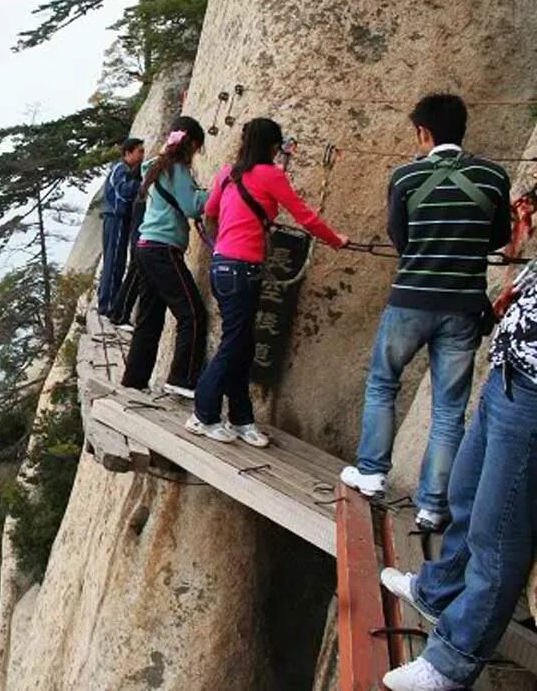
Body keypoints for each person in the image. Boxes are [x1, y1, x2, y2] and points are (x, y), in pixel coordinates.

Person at [340, 94, 511, 532]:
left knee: (383, 383)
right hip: (462, 306)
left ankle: (372, 473)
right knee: (448, 409)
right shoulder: (493, 177)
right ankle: (433, 505)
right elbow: (498, 238)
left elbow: (401, 238)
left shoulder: (406, 177)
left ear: (424, 132)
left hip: (410, 300)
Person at [378, 260, 537, 691]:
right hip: (510, 372)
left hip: (532, 394)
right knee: (464, 495)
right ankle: (439, 589)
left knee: (497, 535)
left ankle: (453, 661)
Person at [189, 118, 348, 444]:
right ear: (273, 146)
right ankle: (203, 413)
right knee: (234, 344)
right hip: (243, 270)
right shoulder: (271, 175)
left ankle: (241, 418)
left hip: (222, 266)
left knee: (243, 345)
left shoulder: (228, 173)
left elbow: (211, 209)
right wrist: (336, 239)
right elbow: (304, 216)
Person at [121, 117, 208, 398]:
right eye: (197, 148)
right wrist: (216, 192)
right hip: (163, 249)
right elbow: (193, 206)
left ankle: (134, 381)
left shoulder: (155, 166)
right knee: (192, 314)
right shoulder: (177, 170)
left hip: (145, 247)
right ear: (192, 144)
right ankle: (181, 379)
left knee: (149, 318)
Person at [97, 137, 146, 316]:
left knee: (118, 260)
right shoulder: (120, 169)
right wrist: (142, 184)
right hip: (115, 217)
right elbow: (122, 191)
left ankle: (110, 301)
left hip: (119, 218)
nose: (142, 155)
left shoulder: (126, 169)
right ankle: (107, 305)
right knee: (114, 260)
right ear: (128, 153)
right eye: (139, 151)